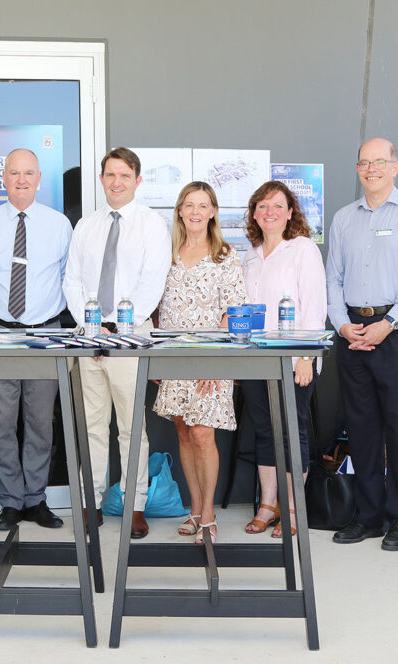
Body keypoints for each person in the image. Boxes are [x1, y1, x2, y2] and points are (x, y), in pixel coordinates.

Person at [325, 138, 398, 551]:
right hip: (353, 332)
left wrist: (388, 323)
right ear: (357, 170)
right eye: (364, 163)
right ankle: (368, 516)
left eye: (379, 162)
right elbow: (332, 279)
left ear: (396, 167)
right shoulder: (343, 218)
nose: (371, 168)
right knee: (362, 429)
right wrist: (342, 324)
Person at [64, 147, 172, 539]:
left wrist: (118, 328)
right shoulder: (86, 226)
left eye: (124, 175)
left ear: (137, 180)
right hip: (88, 338)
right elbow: (72, 280)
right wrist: (91, 324)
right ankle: (91, 502)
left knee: (131, 427)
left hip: (130, 337)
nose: (116, 182)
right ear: (101, 179)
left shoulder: (151, 225)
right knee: (92, 425)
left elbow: (152, 282)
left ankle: (134, 504)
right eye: (110, 175)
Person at [0, 149, 73, 531]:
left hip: (46, 332)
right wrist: (1, 316)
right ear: (4, 177)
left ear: (39, 178)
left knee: (41, 422)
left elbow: (67, 276)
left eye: (29, 173)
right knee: (1, 422)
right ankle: (11, 501)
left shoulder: (59, 225)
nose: (21, 179)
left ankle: (36, 499)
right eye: (14, 173)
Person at [152, 181, 245, 544]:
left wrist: (214, 359)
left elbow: (233, 312)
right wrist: (157, 358)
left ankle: (208, 514)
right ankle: (193, 509)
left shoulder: (225, 255)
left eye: (202, 205)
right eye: (189, 204)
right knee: (185, 434)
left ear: (213, 212)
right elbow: (155, 309)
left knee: (204, 434)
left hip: (210, 359)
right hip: (173, 357)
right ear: (179, 210)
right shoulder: (167, 253)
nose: (195, 211)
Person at [240, 181, 327, 538]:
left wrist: (307, 356)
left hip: (293, 360)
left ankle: (293, 509)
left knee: (293, 433)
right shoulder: (249, 253)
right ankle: (268, 505)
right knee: (264, 432)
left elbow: (315, 305)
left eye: (277, 206)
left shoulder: (302, 249)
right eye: (262, 206)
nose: (269, 212)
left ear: (290, 212)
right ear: (254, 214)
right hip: (254, 359)